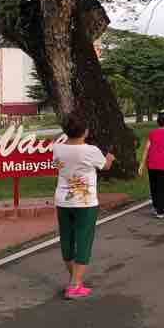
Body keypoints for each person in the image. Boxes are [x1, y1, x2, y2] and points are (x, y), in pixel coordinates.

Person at [52, 113, 114, 299]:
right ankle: (74, 284)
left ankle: (75, 280)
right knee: (84, 240)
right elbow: (105, 166)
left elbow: (58, 165)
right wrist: (110, 157)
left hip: (63, 200)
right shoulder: (91, 150)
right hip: (85, 202)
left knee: (67, 240)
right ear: (85, 131)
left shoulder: (57, 148)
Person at [138, 112, 164, 218]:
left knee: (154, 186)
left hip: (152, 163)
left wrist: (142, 164)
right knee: (163, 187)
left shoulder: (152, 133)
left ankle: (156, 207)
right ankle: (160, 210)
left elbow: (147, 148)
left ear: (158, 122)